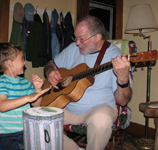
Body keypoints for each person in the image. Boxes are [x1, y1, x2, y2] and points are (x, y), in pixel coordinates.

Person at [44, 15, 132, 150]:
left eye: (81, 39)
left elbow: (123, 101)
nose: (77, 43)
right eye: (76, 38)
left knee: (100, 121)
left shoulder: (116, 57)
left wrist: (123, 80)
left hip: (99, 108)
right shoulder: (73, 48)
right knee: (38, 116)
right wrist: (50, 71)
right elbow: (50, 64)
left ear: (97, 37)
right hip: (67, 106)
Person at [0, 42, 49, 150]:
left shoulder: (25, 82)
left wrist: (37, 90)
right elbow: (2, 106)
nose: (24, 62)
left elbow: (36, 105)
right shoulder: (2, 82)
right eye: (22, 59)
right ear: (10, 63)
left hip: (26, 131)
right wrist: (28, 98)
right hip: (6, 135)